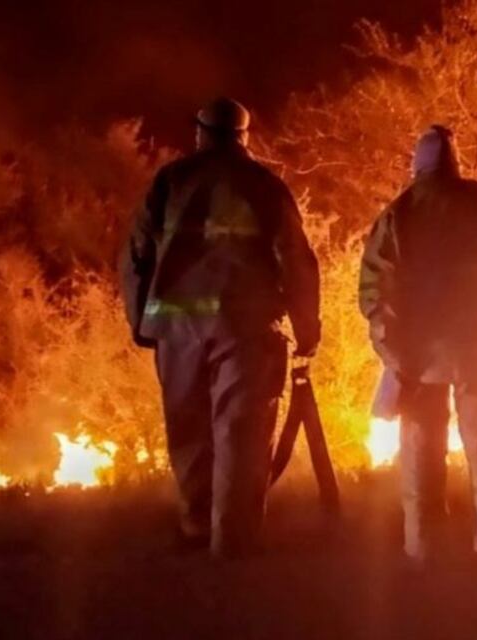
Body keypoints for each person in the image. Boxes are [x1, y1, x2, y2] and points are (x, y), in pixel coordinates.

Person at [119, 97, 321, 557]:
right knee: (242, 434)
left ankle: (194, 529)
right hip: (245, 325)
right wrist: (307, 329)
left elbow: (135, 255)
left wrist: (141, 320)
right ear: (243, 137)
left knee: (188, 431)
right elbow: (296, 260)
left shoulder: (171, 182)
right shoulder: (265, 186)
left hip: (178, 325)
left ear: (200, 133)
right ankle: (233, 543)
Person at [360, 125, 477, 569]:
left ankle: (422, 548)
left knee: (419, 445)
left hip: (419, 351)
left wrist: (390, 349)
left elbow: (374, 287)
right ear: (455, 161)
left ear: (417, 164)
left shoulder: (399, 212)